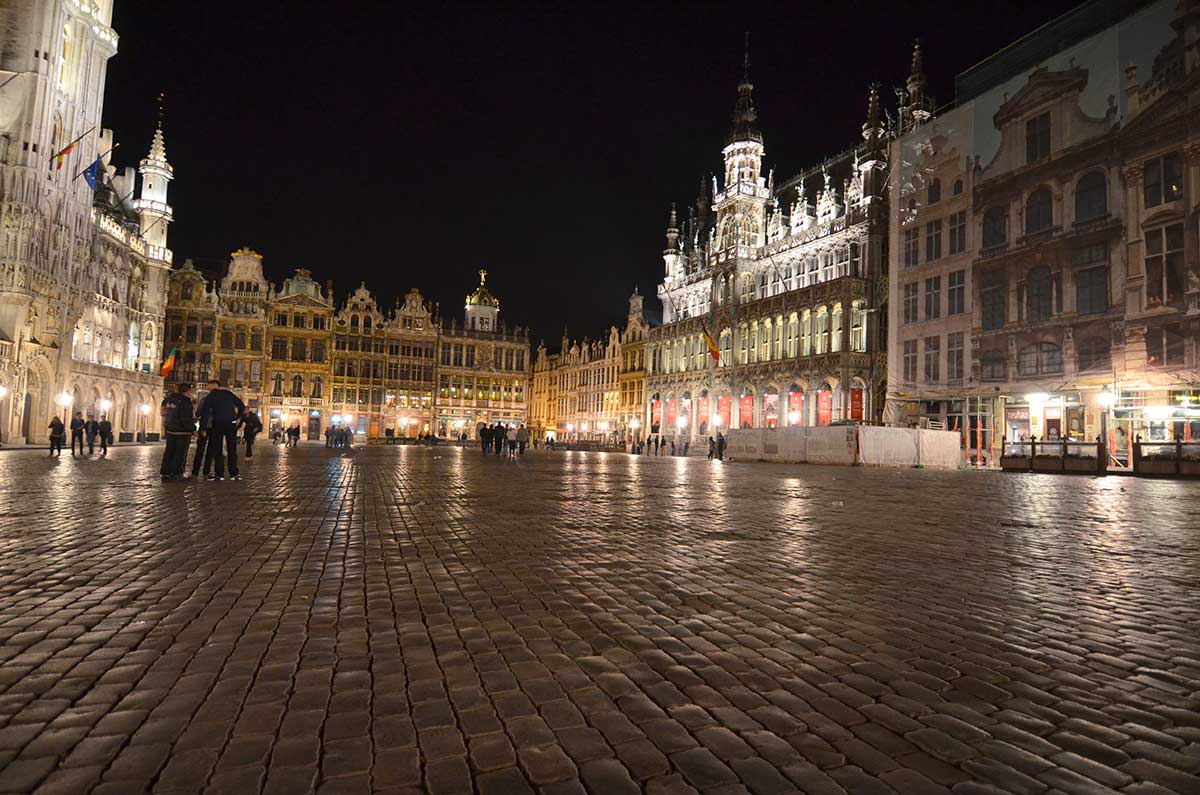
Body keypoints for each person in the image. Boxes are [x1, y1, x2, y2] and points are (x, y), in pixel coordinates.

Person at [201, 378, 245, 481]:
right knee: (232, 448)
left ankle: (219, 473)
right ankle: (233, 473)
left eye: (208, 387)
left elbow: (205, 413)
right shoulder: (228, 394)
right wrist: (237, 417)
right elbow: (241, 405)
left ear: (211, 387)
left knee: (218, 448)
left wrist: (203, 428)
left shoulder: (210, 397)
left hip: (218, 423)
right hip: (230, 423)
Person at [160, 383, 196, 481]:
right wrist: (193, 429)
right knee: (180, 453)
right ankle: (177, 473)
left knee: (169, 452)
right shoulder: (185, 401)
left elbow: (162, 413)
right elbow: (185, 418)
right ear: (187, 391)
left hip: (170, 430)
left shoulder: (168, 399)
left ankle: (166, 473)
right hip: (182, 431)